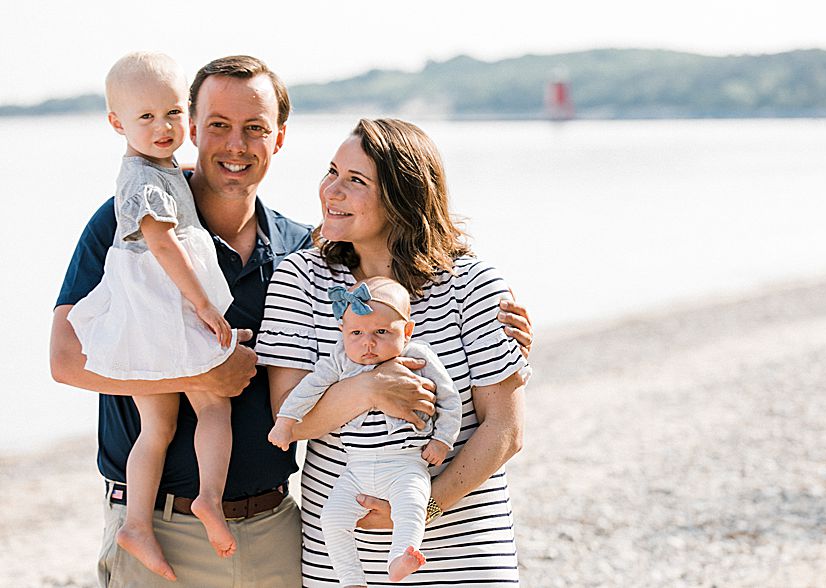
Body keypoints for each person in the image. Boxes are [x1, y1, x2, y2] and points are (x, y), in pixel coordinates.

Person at [49, 55, 535, 586]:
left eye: (254, 128)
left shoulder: (299, 251)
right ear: (191, 128)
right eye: (218, 126)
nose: (236, 145)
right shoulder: (133, 222)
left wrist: (501, 325)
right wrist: (199, 378)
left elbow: (492, 413)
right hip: (162, 525)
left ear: (278, 138)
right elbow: (66, 361)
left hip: (277, 528)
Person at [255, 118, 531, 586]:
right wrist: (369, 389)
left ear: (403, 197)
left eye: (355, 181)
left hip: (465, 555)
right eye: (331, 172)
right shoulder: (300, 279)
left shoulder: (474, 284)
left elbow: (505, 429)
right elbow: (288, 414)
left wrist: (424, 509)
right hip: (345, 560)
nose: (331, 191)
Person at [65, 51, 238, 580]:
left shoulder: (157, 172)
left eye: (171, 113)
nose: (162, 127)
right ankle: (210, 498)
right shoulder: (144, 183)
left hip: (140, 319)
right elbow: (164, 244)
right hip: (166, 307)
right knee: (213, 404)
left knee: (155, 427)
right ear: (117, 123)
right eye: (145, 118)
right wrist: (204, 304)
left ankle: (136, 522)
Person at [267, 276, 462, 585]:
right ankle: (350, 579)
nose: (368, 343)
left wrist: (442, 440)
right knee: (331, 520)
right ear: (343, 332)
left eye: (381, 332)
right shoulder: (340, 360)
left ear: (407, 331)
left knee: (411, 507)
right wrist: (285, 421)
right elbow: (308, 388)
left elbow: (451, 400)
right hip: (355, 470)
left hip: (405, 463)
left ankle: (401, 557)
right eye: (356, 332)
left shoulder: (419, 356)